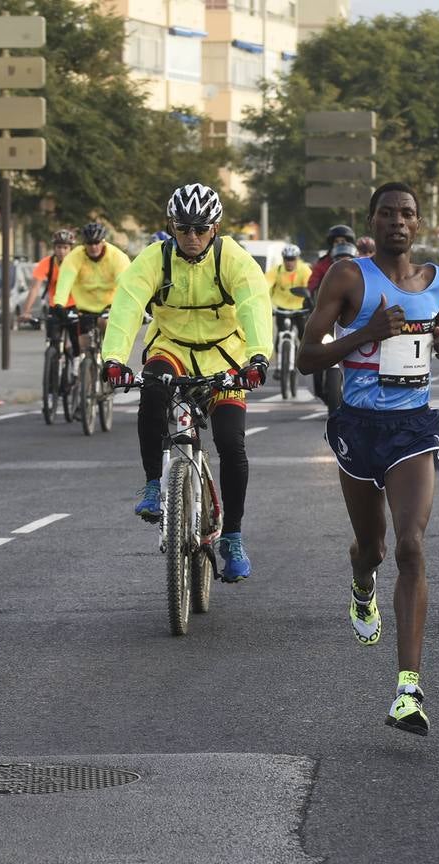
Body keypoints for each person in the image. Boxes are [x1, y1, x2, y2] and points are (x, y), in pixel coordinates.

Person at [296, 181, 439, 736]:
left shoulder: (438, 281)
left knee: (411, 546)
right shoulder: (349, 276)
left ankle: (407, 692)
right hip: (359, 426)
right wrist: (363, 332)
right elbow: (306, 356)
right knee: (373, 546)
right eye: (387, 213)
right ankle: (362, 585)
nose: (397, 221)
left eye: (407, 213)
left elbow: (433, 329)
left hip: (413, 427)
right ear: (372, 220)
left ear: (419, 223)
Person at [100, 183, 271, 582]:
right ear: (172, 227)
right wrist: (113, 358)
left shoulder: (234, 259)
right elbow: (126, 306)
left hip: (225, 355)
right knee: (153, 390)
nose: (191, 237)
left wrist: (259, 356)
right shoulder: (153, 259)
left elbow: (253, 305)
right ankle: (152, 484)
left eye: (200, 229)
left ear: (215, 228)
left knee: (231, 443)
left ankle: (232, 537)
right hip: (172, 348)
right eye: (183, 228)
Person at [51, 222, 130, 362]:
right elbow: (65, 281)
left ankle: (111, 358)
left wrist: (129, 306)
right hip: (85, 307)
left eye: (96, 242)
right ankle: (83, 372)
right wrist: (59, 304)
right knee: (83, 345)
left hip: (109, 304)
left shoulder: (117, 257)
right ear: (84, 243)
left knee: (104, 324)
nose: (93, 247)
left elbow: (126, 283)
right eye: (89, 243)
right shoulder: (75, 257)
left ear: (103, 242)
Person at [19, 229, 76, 322]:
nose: (62, 251)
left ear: (71, 249)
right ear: (54, 248)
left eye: (65, 248)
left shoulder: (77, 263)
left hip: (74, 305)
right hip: (55, 306)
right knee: (52, 335)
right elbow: (35, 288)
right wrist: (26, 311)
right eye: (59, 247)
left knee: (78, 335)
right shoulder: (46, 263)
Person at [267, 243, 313, 344]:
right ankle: (281, 357)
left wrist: (307, 296)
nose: (289, 262)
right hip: (281, 307)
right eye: (287, 259)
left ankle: (303, 356)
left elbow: (309, 287)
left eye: (292, 259)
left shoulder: (304, 270)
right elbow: (266, 283)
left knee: (303, 336)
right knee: (280, 335)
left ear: (297, 258)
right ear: (283, 259)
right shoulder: (277, 270)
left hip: (299, 307)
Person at [307, 224, 357, 296]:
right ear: (332, 243)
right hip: (329, 301)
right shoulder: (323, 263)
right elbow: (313, 281)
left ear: (349, 243)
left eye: (343, 241)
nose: (340, 244)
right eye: (336, 241)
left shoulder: (358, 261)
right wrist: (310, 293)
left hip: (355, 302)